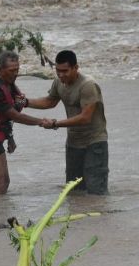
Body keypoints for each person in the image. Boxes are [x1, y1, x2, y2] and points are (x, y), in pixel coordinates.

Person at [27, 50, 109, 195]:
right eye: (58, 71)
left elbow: (85, 117)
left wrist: (55, 124)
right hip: (73, 142)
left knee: (96, 191)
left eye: (65, 71)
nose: (61, 75)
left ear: (76, 68)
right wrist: (24, 102)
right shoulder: (59, 82)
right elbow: (50, 101)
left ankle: (100, 216)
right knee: (74, 191)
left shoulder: (88, 85)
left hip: (94, 142)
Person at [0, 50, 45, 194]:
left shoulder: (11, 87)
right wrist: (42, 122)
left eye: (17, 69)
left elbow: (22, 102)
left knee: (5, 183)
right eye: (11, 70)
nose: (15, 73)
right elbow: (14, 115)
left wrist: (10, 138)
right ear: (1, 70)